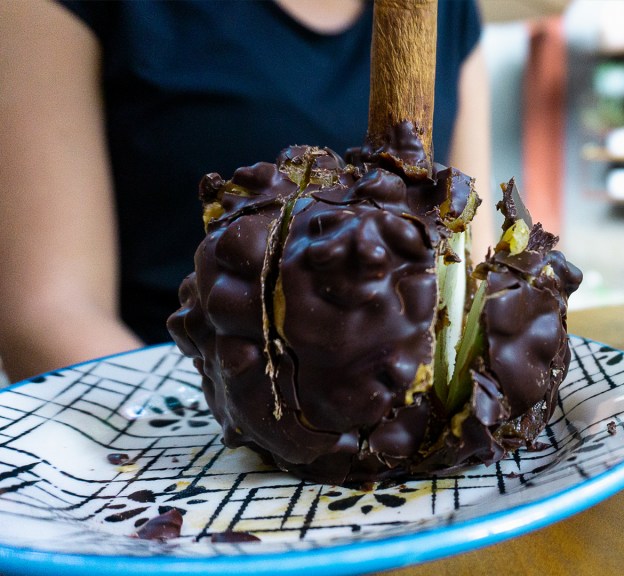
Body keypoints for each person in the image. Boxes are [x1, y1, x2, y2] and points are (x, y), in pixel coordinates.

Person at [0, 0, 492, 383]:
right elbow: (46, 314)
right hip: (161, 417)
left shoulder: (446, 11)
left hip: (403, 412)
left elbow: (469, 257)